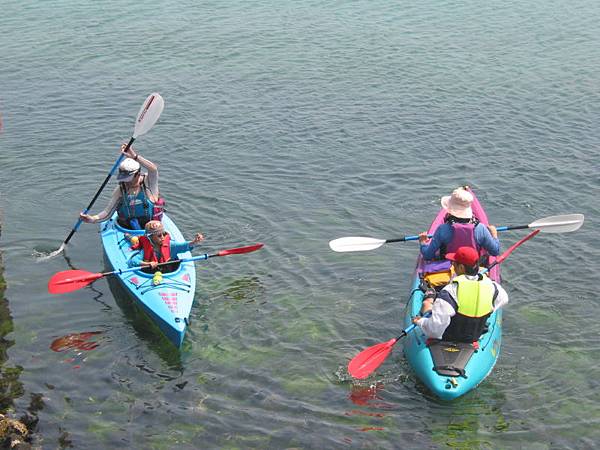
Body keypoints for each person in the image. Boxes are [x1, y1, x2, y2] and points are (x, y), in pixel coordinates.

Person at [412, 246, 508, 342]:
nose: (452, 265)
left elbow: (435, 331)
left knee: (427, 304)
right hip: (475, 336)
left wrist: (420, 321)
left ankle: (430, 296)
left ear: (461, 267)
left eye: (454, 263)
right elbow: (504, 299)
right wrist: (487, 309)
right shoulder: (492, 287)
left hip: (448, 336)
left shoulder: (450, 291)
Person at [80, 143, 163, 229]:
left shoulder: (148, 183)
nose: (125, 182)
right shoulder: (120, 189)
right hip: (127, 230)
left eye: (128, 179)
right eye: (123, 178)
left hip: (153, 229)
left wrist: (134, 156)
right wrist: (92, 219)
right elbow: (107, 212)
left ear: (138, 174)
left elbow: (153, 169)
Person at [419, 186, 500, 261]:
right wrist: (494, 234)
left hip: (448, 263)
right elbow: (495, 251)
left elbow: (427, 256)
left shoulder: (442, 229)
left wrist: (423, 243)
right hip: (471, 266)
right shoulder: (481, 229)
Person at [127, 220, 204, 273]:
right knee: (134, 240)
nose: (163, 237)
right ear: (150, 237)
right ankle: (129, 236)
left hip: (166, 271)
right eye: (159, 236)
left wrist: (194, 242)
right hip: (151, 271)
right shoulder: (146, 249)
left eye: (164, 234)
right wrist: (148, 263)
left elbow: (184, 246)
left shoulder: (170, 245)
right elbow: (133, 260)